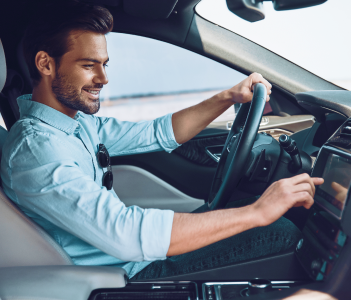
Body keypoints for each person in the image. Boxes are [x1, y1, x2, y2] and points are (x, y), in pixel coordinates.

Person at [0, 0, 324, 280]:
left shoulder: (75, 124)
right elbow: (125, 235)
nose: (103, 78)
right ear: (45, 64)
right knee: (279, 234)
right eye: (88, 65)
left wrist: (226, 97)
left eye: (104, 64)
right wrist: (258, 212)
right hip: (127, 274)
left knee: (257, 215)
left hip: (133, 259)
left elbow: (156, 133)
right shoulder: (37, 150)